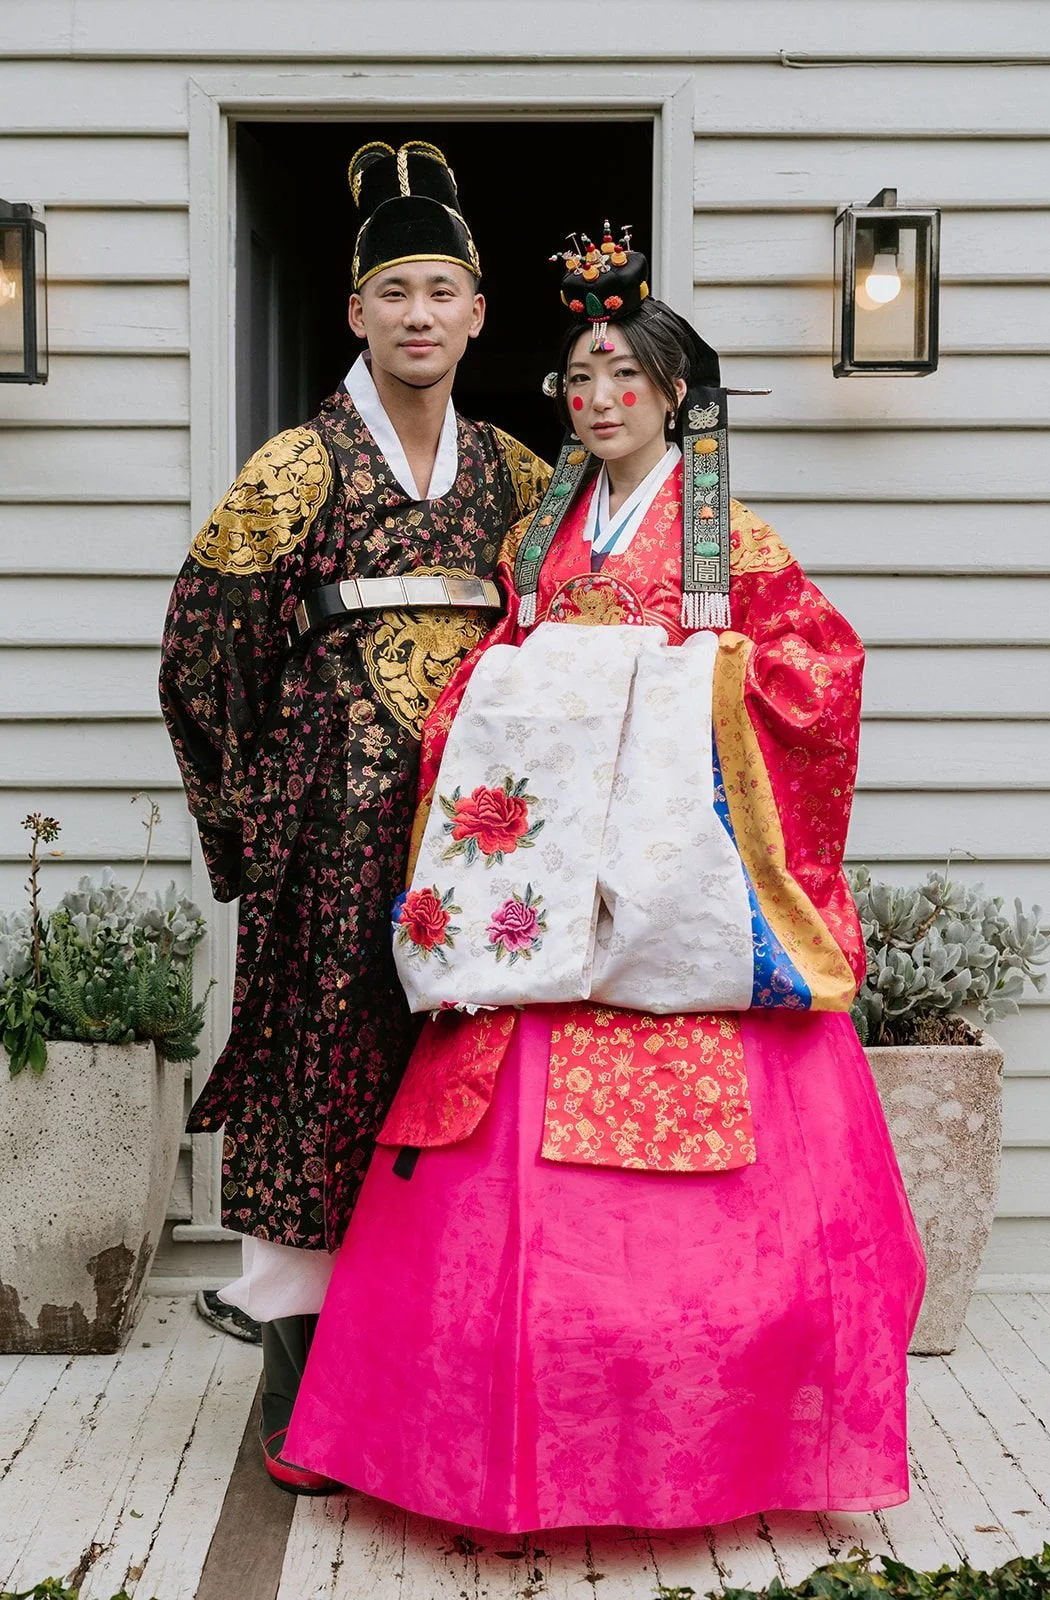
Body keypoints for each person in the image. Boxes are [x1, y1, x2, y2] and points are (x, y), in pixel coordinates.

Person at [285, 226, 925, 1530]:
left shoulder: (723, 536)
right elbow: (502, 660)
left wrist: (685, 677)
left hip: (674, 907)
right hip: (543, 914)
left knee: (707, 1212)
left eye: (621, 374)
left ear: (673, 394)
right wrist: (508, 694)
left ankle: (709, 1444)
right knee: (491, 1209)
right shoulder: (543, 537)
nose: (597, 397)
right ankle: (433, 1427)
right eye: (578, 376)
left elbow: (821, 674)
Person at [159, 140, 550, 1491]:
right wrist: (259, 820)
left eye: (443, 290)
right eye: (396, 293)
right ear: (356, 315)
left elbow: (565, 635)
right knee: (320, 1069)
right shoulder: (291, 469)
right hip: (327, 840)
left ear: (478, 311)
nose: (421, 316)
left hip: (480, 836)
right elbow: (203, 658)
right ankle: (295, 1373)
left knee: (465, 1077)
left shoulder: (516, 474)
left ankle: (448, 1355)